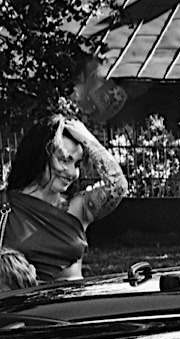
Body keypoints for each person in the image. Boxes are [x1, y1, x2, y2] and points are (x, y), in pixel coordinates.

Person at [1, 115, 126, 281]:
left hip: (75, 298)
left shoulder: (78, 207)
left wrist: (89, 140)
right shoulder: (7, 206)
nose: (72, 173)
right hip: (25, 298)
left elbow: (118, 186)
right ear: (41, 156)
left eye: (76, 164)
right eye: (65, 160)